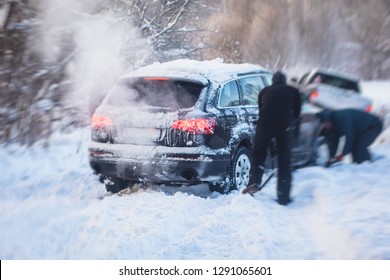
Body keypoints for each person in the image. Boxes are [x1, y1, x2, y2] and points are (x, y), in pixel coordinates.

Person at [242, 71, 302, 206]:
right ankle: (283, 197)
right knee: (284, 162)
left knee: (258, 154)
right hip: (284, 126)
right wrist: (293, 136)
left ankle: (254, 182)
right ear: (284, 81)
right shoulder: (293, 91)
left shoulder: (264, 91)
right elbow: (297, 115)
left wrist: (270, 145)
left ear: (273, 81)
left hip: (264, 125)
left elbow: (263, 110)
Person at [316, 109, 383, 166]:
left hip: (373, 125)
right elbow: (334, 142)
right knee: (355, 149)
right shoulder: (333, 126)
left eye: (325, 124)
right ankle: (359, 167)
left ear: (328, 120)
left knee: (360, 147)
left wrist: (343, 154)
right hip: (360, 130)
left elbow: (349, 137)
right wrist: (331, 158)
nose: (326, 127)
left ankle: (367, 168)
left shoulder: (341, 117)